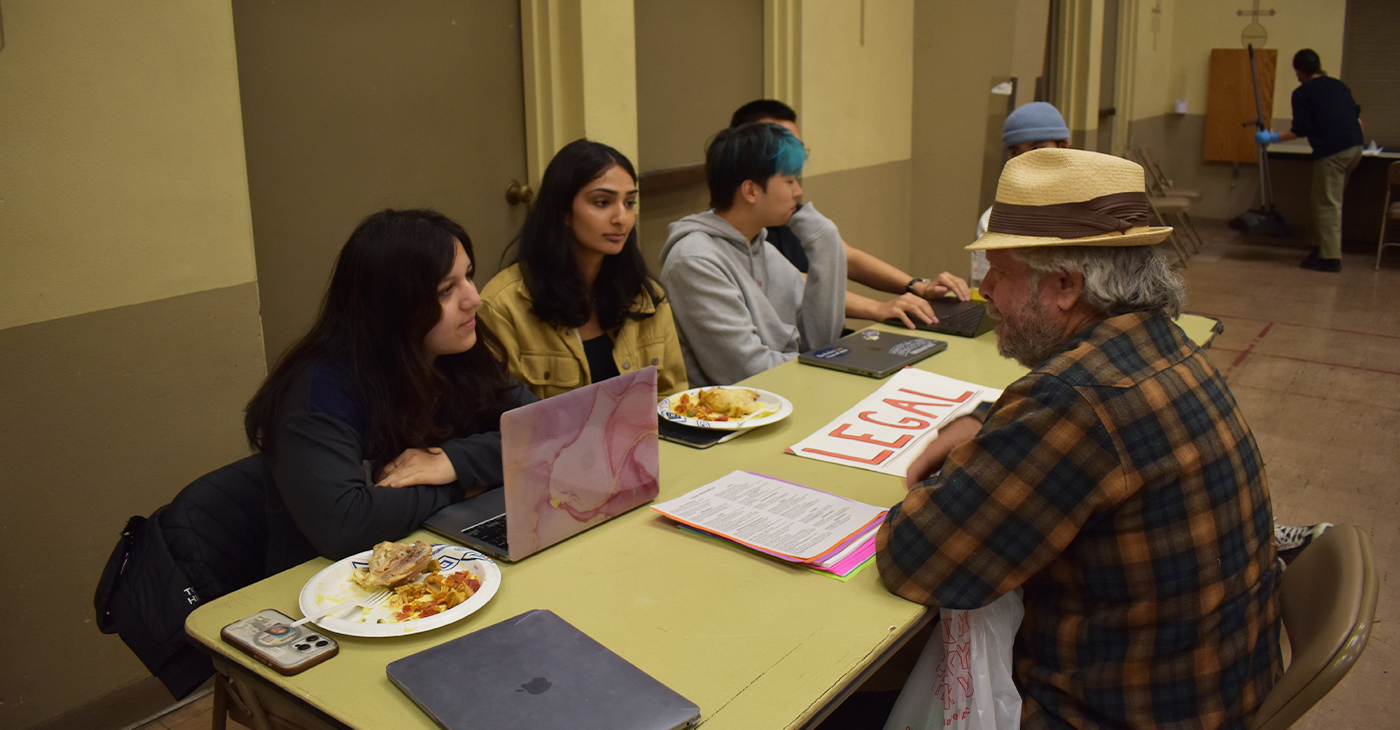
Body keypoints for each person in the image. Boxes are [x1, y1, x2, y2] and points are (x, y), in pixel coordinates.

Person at [877, 149, 1281, 729]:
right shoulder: (1162, 344)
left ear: (1065, 285)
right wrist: (990, 421)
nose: (984, 289)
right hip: (1212, 694)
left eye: (1002, 272)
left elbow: (919, 557)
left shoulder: (1074, 402)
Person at [245, 209, 537, 573]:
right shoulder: (317, 390)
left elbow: (545, 431)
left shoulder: (456, 351)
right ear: (393, 308)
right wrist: (459, 485)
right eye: (446, 290)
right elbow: (345, 524)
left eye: (468, 276)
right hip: (335, 592)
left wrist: (452, 461)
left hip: (437, 560)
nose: (473, 298)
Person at [730, 100, 971, 329]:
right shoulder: (734, 237)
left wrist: (918, 287)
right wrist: (877, 308)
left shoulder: (790, 214)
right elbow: (797, 283)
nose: (795, 161)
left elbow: (847, 256)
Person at [479, 139, 687, 399]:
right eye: (602, 202)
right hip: (552, 440)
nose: (621, 218)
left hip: (646, 439)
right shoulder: (503, 305)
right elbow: (505, 420)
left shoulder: (644, 296)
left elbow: (674, 400)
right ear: (564, 211)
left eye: (629, 203)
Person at [660, 122, 845, 386]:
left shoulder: (764, 249)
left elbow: (819, 342)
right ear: (751, 190)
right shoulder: (694, 261)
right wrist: (826, 368)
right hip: (732, 418)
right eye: (789, 180)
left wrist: (826, 242)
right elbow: (747, 372)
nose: (798, 192)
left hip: (788, 396)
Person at [1255, 49, 1364, 272]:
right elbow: (1358, 119)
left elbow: (1301, 129)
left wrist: (1272, 137)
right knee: (1323, 199)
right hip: (1355, 148)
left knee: (1327, 205)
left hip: (1332, 153)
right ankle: (1318, 247)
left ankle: (1330, 257)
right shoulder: (1338, 85)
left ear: (1298, 70)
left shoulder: (1303, 92)